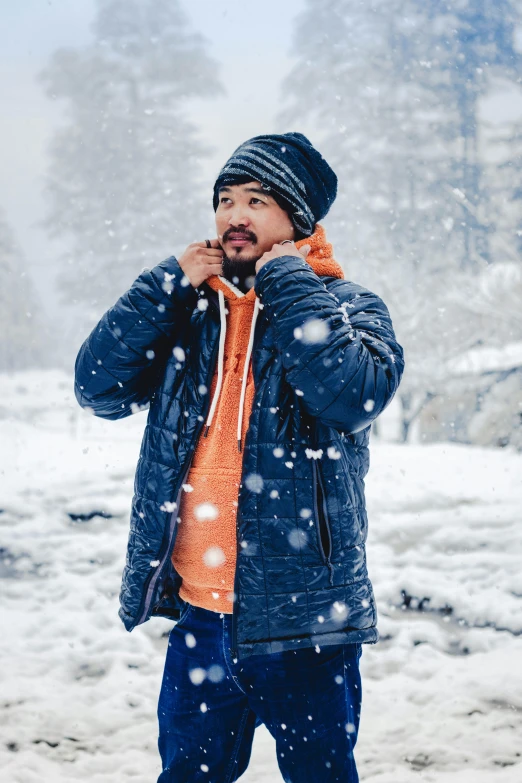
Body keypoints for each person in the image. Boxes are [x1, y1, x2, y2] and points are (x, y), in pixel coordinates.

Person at [74, 132, 405, 782]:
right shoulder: (192, 312)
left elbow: (354, 394)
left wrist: (287, 278)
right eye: (225, 199)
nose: (234, 215)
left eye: (256, 199)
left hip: (305, 621)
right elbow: (98, 386)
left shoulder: (348, 306)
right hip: (201, 611)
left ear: (298, 217)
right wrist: (163, 284)